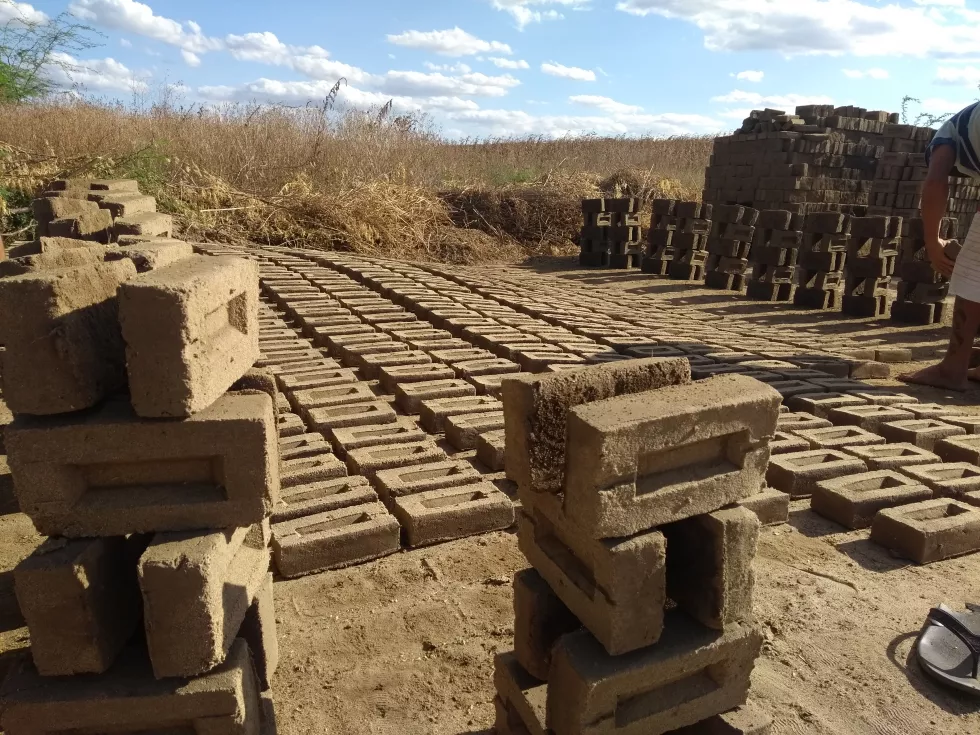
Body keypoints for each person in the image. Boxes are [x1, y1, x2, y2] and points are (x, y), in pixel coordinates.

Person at [900, 101, 980, 392]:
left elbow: (935, 183)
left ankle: (952, 369)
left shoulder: (946, 135)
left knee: (973, 275)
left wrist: (932, 243)